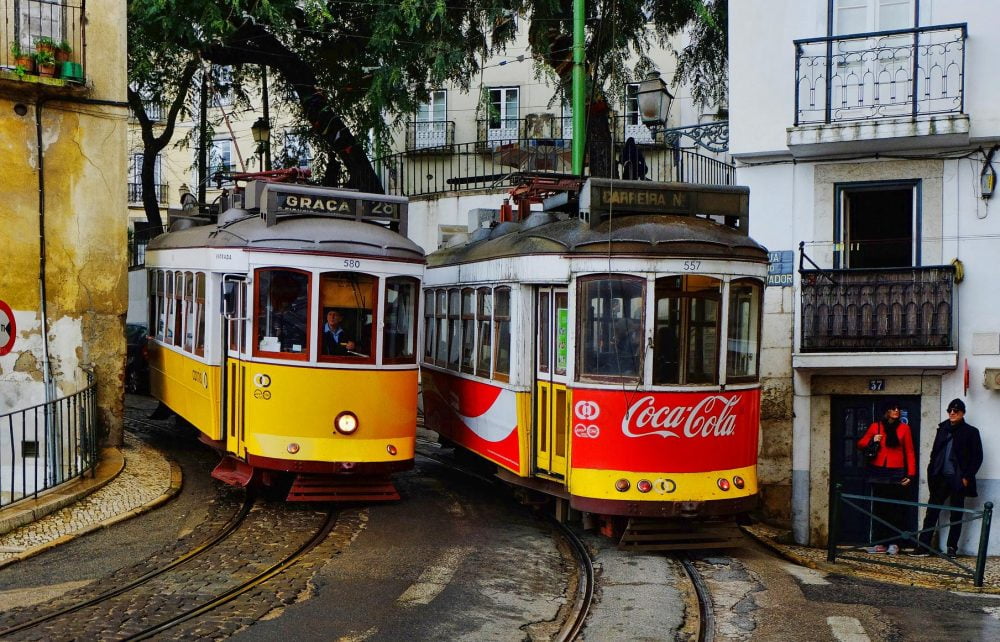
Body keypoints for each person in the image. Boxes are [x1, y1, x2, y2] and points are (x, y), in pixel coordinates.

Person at [911, 398, 983, 557]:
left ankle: (952, 548)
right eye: (949, 410)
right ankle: (923, 547)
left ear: (962, 413)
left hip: (958, 479)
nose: (952, 413)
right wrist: (931, 472)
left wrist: (966, 477)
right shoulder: (942, 428)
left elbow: (977, 457)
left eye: (955, 411)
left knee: (956, 515)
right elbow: (935, 452)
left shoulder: (971, 432)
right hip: (940, 478)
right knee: (931, 513)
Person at [856, 399, 916, 554]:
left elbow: (909, 451)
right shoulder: (876, 427)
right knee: (880, 508)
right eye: (893, 408)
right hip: (878, 470)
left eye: (898, 408)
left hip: (897, 471)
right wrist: (872, 439)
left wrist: (911, 474)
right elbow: (860, 444)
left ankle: (895, 543)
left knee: (896, 508)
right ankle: (881, 542)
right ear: (886, 411)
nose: (896, 410)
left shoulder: (904, 428)